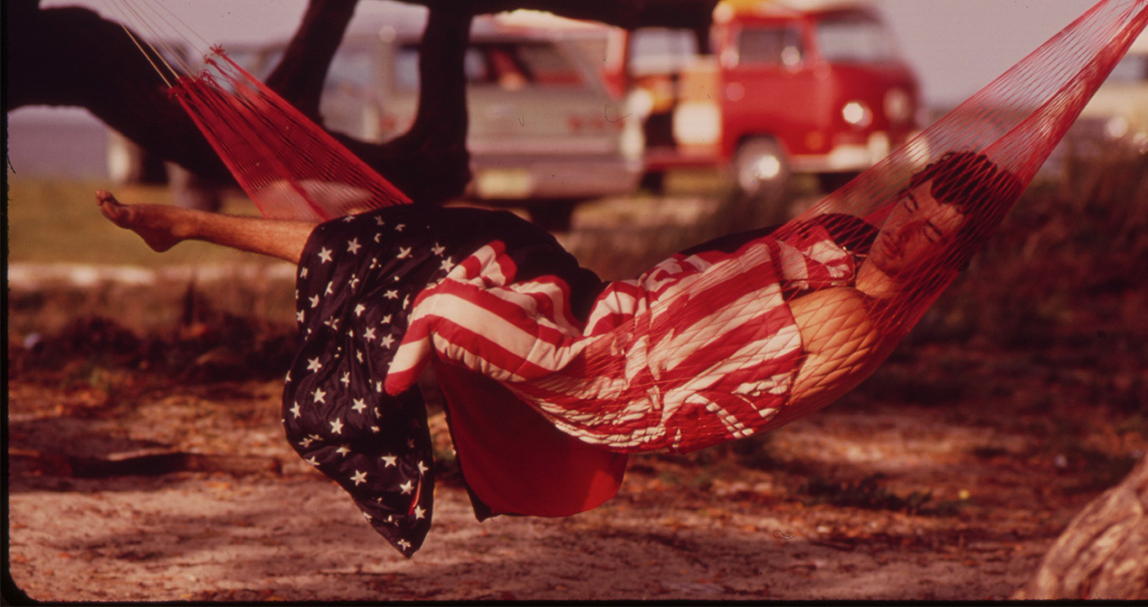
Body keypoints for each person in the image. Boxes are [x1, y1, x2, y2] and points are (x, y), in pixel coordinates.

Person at [95, 150, 1019, 552]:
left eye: (933, 235)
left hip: (613, 377)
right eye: (913, 209)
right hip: (607, 309)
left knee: (441, 302)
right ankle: (185, 222)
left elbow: (714, 387)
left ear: (955, 258)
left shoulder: (855, 328)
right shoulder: (845, 242)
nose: (907, 234)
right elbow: (725, 269)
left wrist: (623, 365)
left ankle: (365, 427)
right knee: (437, 238)